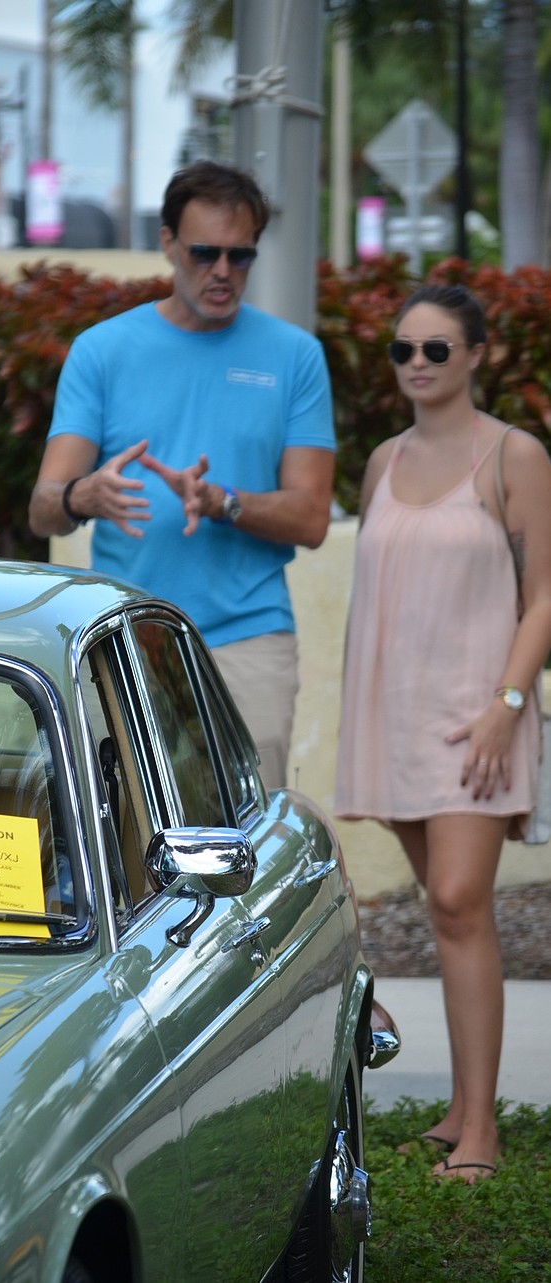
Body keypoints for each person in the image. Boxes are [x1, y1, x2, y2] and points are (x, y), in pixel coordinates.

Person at [335, 283, 551, 1183]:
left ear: (475, 356)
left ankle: (483, 1134)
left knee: (461, 906)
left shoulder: (515, 454)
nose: (416, 365)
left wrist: (507, 703)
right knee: (447, 913)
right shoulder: (382, 461)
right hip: (397, 716)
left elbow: (543, 597)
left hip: (477, 719)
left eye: (435, 349)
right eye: (401, 351)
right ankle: (463, 1107)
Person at [28, 160, 335, 790]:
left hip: (248, 635)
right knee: (135, 844)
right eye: (203, 252)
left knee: (253, 834)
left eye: (240, 255)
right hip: (126, 635)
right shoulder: (103, 351)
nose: (222, 271)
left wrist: (222, 501)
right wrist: (84, 494)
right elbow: (43, 507)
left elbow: (311, 518)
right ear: (167, 242)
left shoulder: (295, 356)